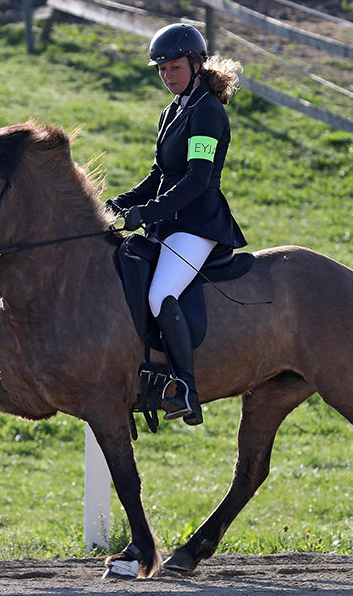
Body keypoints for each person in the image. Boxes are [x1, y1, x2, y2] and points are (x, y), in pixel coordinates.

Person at [106, 23, 247, 426]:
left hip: (198, 224)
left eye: (175, 67)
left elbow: (197, 179)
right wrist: (122, 202)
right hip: (169, 223)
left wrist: (146, 214)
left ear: (197, 64)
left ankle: (186, 386)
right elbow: (158, 174)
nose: (168, 76)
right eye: (162, 69)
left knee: (160, 293)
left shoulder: (207, 112)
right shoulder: (173, 110)